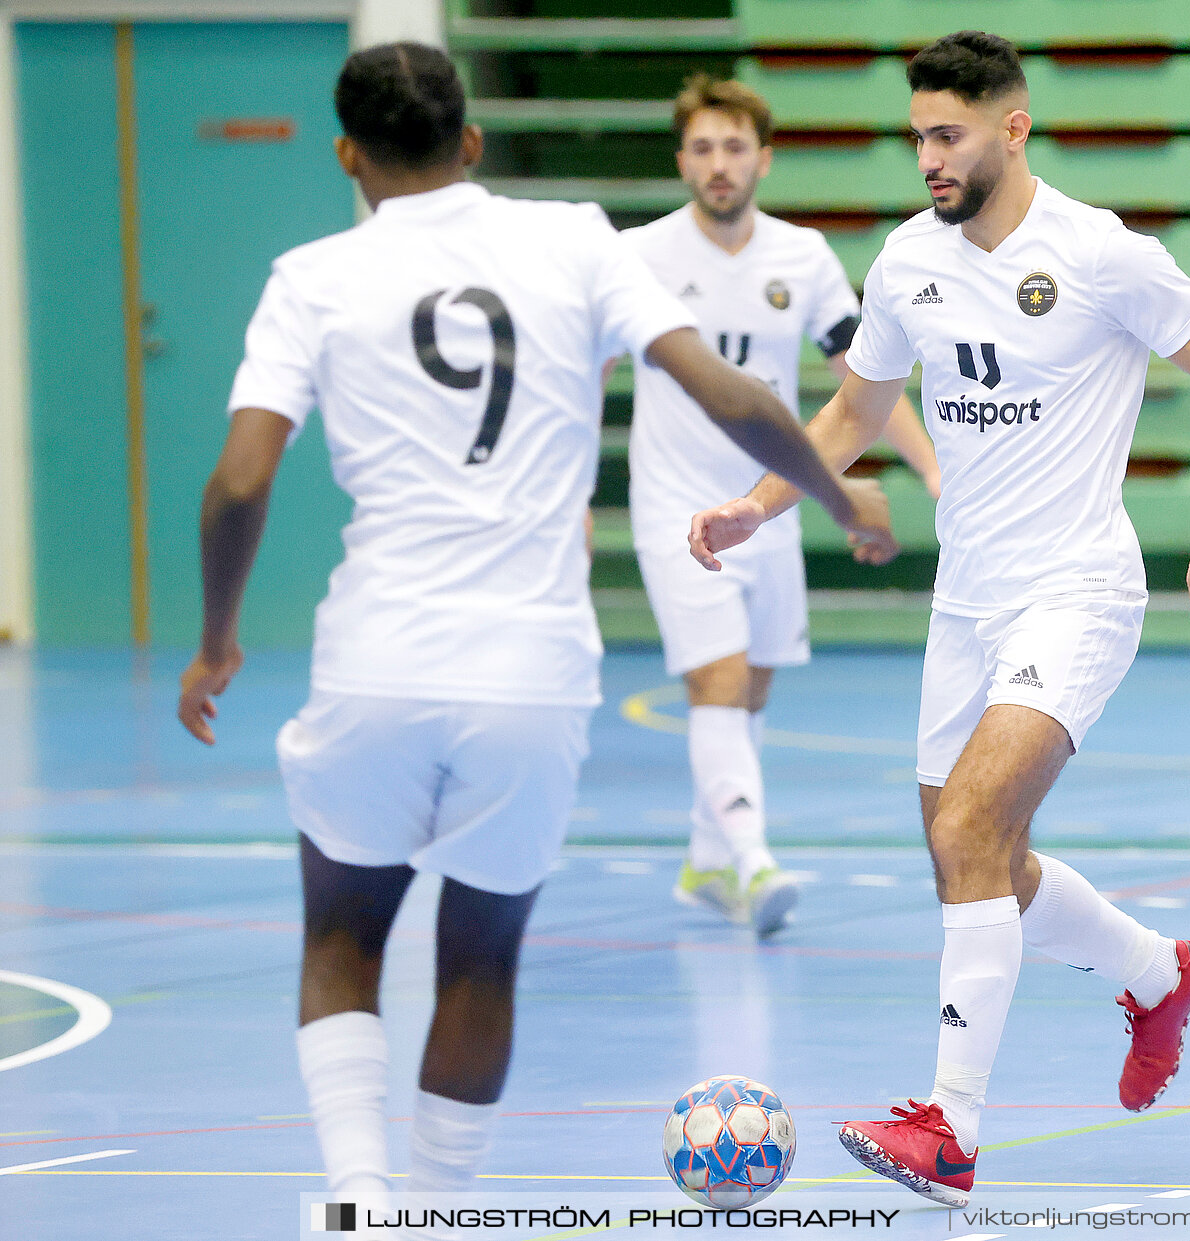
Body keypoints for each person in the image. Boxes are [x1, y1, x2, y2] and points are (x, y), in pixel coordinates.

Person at [174, 42, 892, 1217]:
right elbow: (730, 393)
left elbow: (241, 481)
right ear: (471, 141)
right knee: (480, 956)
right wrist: (833, 491)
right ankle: (442, 1207)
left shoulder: (309, 275)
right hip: (534, 669)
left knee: (342, 941)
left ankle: (359, 1201)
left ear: (348, 154)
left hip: (378, 656)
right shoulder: (577, 240)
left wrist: (216, 640)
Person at [689, 30, 1190, 1206]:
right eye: (916, 138)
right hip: (967, 604)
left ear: (1014, 128)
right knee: (973, 855)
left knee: (969, 833)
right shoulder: (906, 259)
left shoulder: (1101, 253)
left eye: (947, 136)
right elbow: (858, 404)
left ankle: (948, 1130)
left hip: (1078, 590)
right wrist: (762, 502)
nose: (928, 159)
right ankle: (1160, 972)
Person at [623, 74, 940, 937]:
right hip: (670, 506)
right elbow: (581, 379)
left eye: (734, 147)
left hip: (767, 502)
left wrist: (932, 469)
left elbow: (861, 380)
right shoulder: (640, 255)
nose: (718, 165)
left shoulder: (799, 258)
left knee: (749, 692)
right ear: (680, 159)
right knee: (719, 681)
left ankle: (704, 861)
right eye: (701, 148)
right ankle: (755, 862)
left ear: (763, 159)